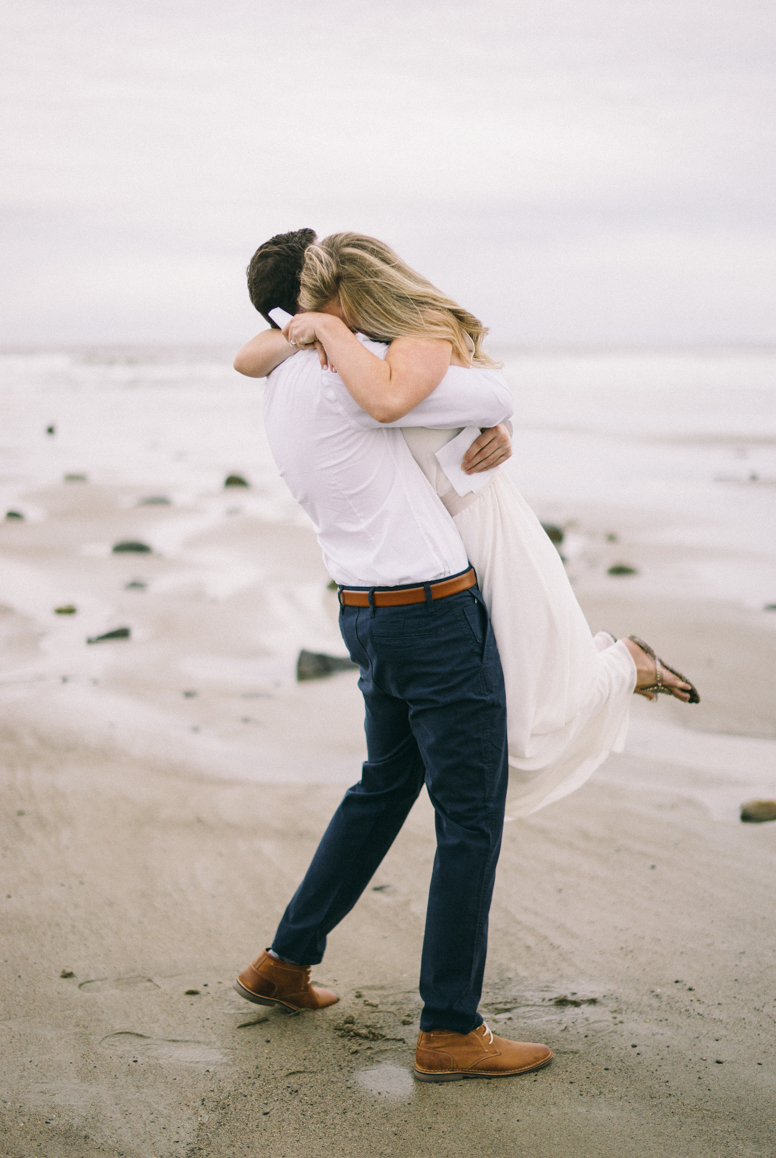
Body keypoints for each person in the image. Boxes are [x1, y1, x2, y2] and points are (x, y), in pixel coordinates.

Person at [233, 228, 554, 1082]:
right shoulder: (350, 373)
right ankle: (450, 1028)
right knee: (470, 821)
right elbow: (490, 387)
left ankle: (285, 960)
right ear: (318, 299)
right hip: (433, 614)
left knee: (382, 789)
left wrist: (490, 416)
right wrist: (498, 414)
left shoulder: (284, 379)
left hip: (366, 613)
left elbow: (454, 404)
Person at [238, 232, 700, 822]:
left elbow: (463, 394)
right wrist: (310, 334)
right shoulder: (334, 354)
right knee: (505, 725)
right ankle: (618, 665)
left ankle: (623, 663)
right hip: (437, 547)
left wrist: (499, 421)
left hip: (488, 528)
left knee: (530, 721)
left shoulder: (396, 343)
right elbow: (247, 356)